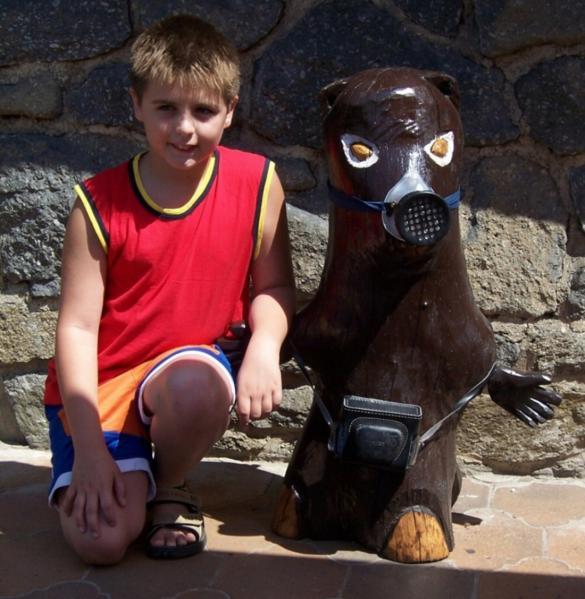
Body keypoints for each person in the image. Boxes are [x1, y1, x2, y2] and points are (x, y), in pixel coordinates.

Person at [43, 14, 295, 565]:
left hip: (186, 373)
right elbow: (77, 328)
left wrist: (264, 347)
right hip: (102, 386)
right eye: (166, 108)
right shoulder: (96, 204)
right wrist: (90, 451)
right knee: (102, 543)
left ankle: (170, 485)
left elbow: (275, 286)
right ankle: (111, 466)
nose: (185, 129)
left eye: (203, 111)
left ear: (230, 110)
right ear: (137, 104)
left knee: (197, 388)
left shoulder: (258, 182)